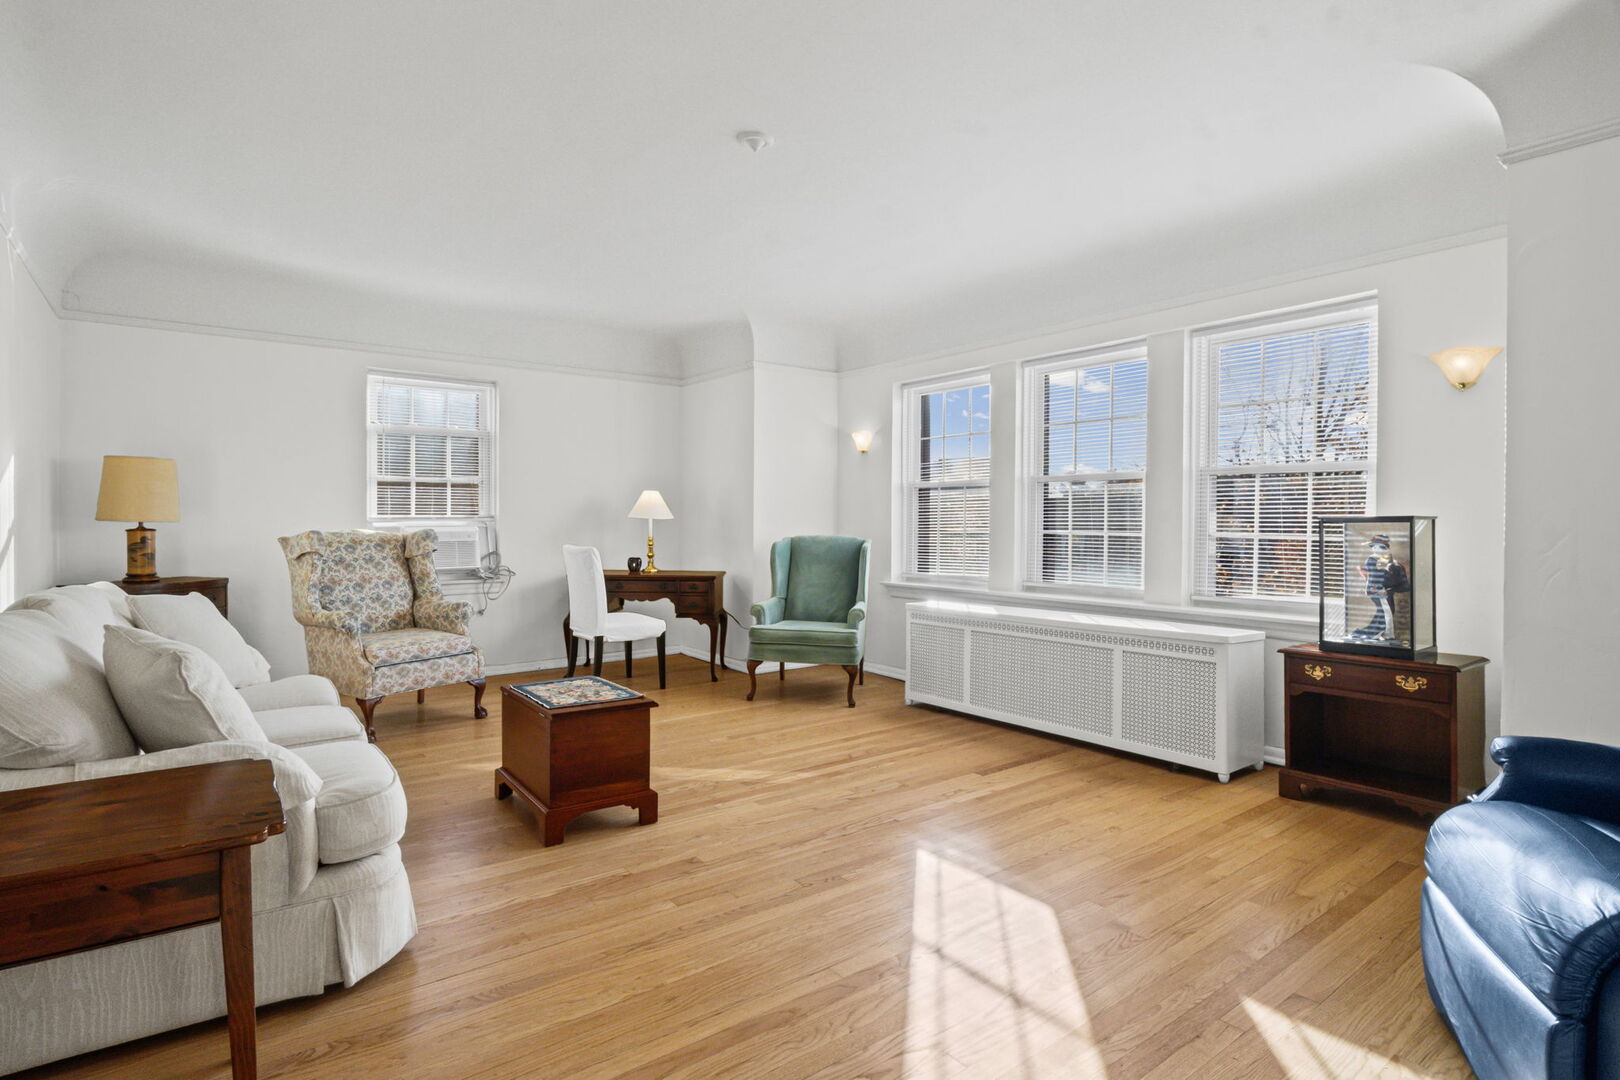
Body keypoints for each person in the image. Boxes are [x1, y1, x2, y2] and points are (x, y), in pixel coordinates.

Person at [1352, 534, 1406, 641]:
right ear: (1374, 547)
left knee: (1386, 611)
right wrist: (1386, 570)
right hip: (1376, 588)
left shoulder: (1380, 558)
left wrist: (1392, 566)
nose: (1381, 549)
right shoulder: (1371, 560)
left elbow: (1387, 567)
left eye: (1384, 547)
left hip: (1379, 588)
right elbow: (1375, 575)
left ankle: (1387, 634)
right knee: (1387, 612)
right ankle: (1386, 634)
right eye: (1378, 547)